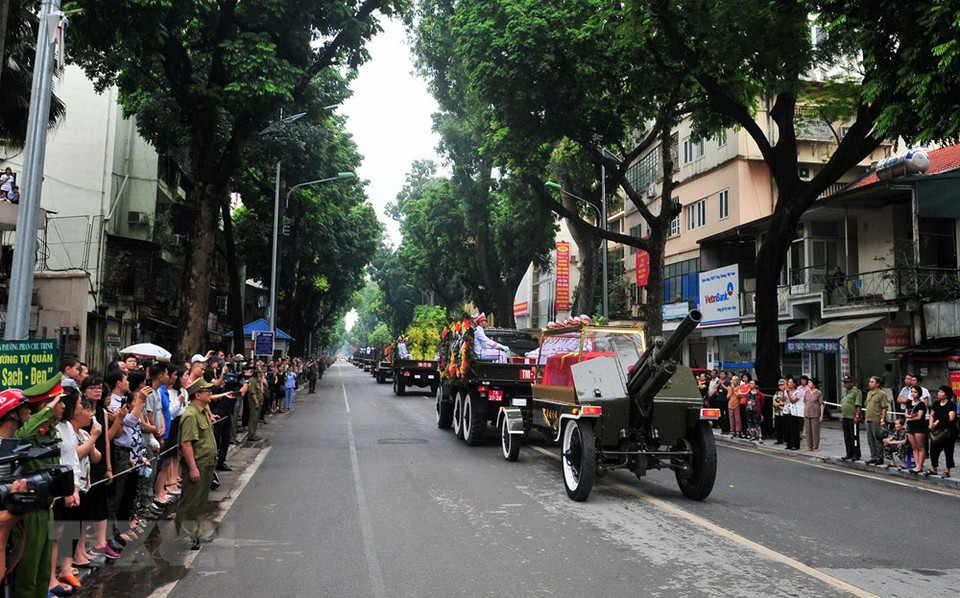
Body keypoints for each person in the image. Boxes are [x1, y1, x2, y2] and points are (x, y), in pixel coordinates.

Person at [177, 378, 218, 550]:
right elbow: (186, 443)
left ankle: (195, 533)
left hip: (207, 462)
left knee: (200, 502)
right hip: (198, 463)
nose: (210, 393)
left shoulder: (201, 412)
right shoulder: (191, 415)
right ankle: (184, 536)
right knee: (189, 502)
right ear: (198, 395)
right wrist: (193, 467)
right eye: (207, 391)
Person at [926, 385, 956, 477]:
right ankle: (934, 468)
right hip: (937, 431)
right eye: (939, 391)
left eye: (941, 392)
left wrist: (938, 422)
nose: (939, 393)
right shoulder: (936, 403)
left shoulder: (951, 404)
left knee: (948, 451)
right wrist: (931, 424)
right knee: (934, 449)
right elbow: (932, 415)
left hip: (948, 431)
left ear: (946, 395)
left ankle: (947, 471)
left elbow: (951, 417)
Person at [863, 375, 889, 465]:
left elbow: (884, 407)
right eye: (870, 382)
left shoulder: (881, 394)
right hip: (869, 419)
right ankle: (873, 456)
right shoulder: (869, 393)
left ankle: (880, 457)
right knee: (870, 440)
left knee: (877, 439)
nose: (870, 383)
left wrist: (882, 419)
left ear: (877, 384)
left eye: (872, 382)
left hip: (876, 419)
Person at [904, 385, 928, 474]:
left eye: (915, 392)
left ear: (919, 393)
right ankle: (917, 464)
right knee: (914, 447)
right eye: (912, 392)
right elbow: (906, 414)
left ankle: (920, 465)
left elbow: (919, 417)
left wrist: (910, 417)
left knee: (920, 446)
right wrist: (911, 416)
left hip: (919, 427)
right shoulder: (909, 403)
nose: (913, 394)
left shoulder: (921, 404)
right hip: (910, 427)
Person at [839, 376, 863, 461]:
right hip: (845, 417)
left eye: (848, 382)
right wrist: (842, 414)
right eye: (845, 382)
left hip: (852, 418)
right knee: (847, 437)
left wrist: (857, 416)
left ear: (852, 383)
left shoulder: (856, 392)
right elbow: (843, 404)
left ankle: (856, 454)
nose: (846, 384)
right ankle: (849, 453)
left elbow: (858, 405)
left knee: (854, 437)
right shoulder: (845, 392)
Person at [803, 377, 824, 451]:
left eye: (810, 382)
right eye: (808, 382)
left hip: (815, 413)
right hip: (807, 413)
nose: (808, 384)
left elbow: (821, 404)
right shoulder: (807, 392)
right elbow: (805, 402)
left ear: (814, 384)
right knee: (808, 431)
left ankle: (815, 446)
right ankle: (809, 445)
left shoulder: (818, 393)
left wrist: (821, 415)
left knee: (815, 430)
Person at [244, 364, 263, 442]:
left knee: (255, 419)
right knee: (253, 419)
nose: (261, 374)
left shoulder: (256, 380)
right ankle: (251, 435)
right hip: (254, 403)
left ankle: (253, 433)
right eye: (259, 372)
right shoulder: (252, 380)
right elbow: (252, 393)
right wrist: (256, 402)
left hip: (258, 402)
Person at [772, 379, 788, 445]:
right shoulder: (777, 393)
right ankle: (779, 439)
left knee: (785, 427)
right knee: (778, 427)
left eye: (782, 385)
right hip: (778, 412)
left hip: (785, 412)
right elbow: (774, 401)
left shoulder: (787, 392)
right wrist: (777, 404)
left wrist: (781, 404)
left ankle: (786, 439)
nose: (781, 386)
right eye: (779, 385)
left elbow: (787, 401)